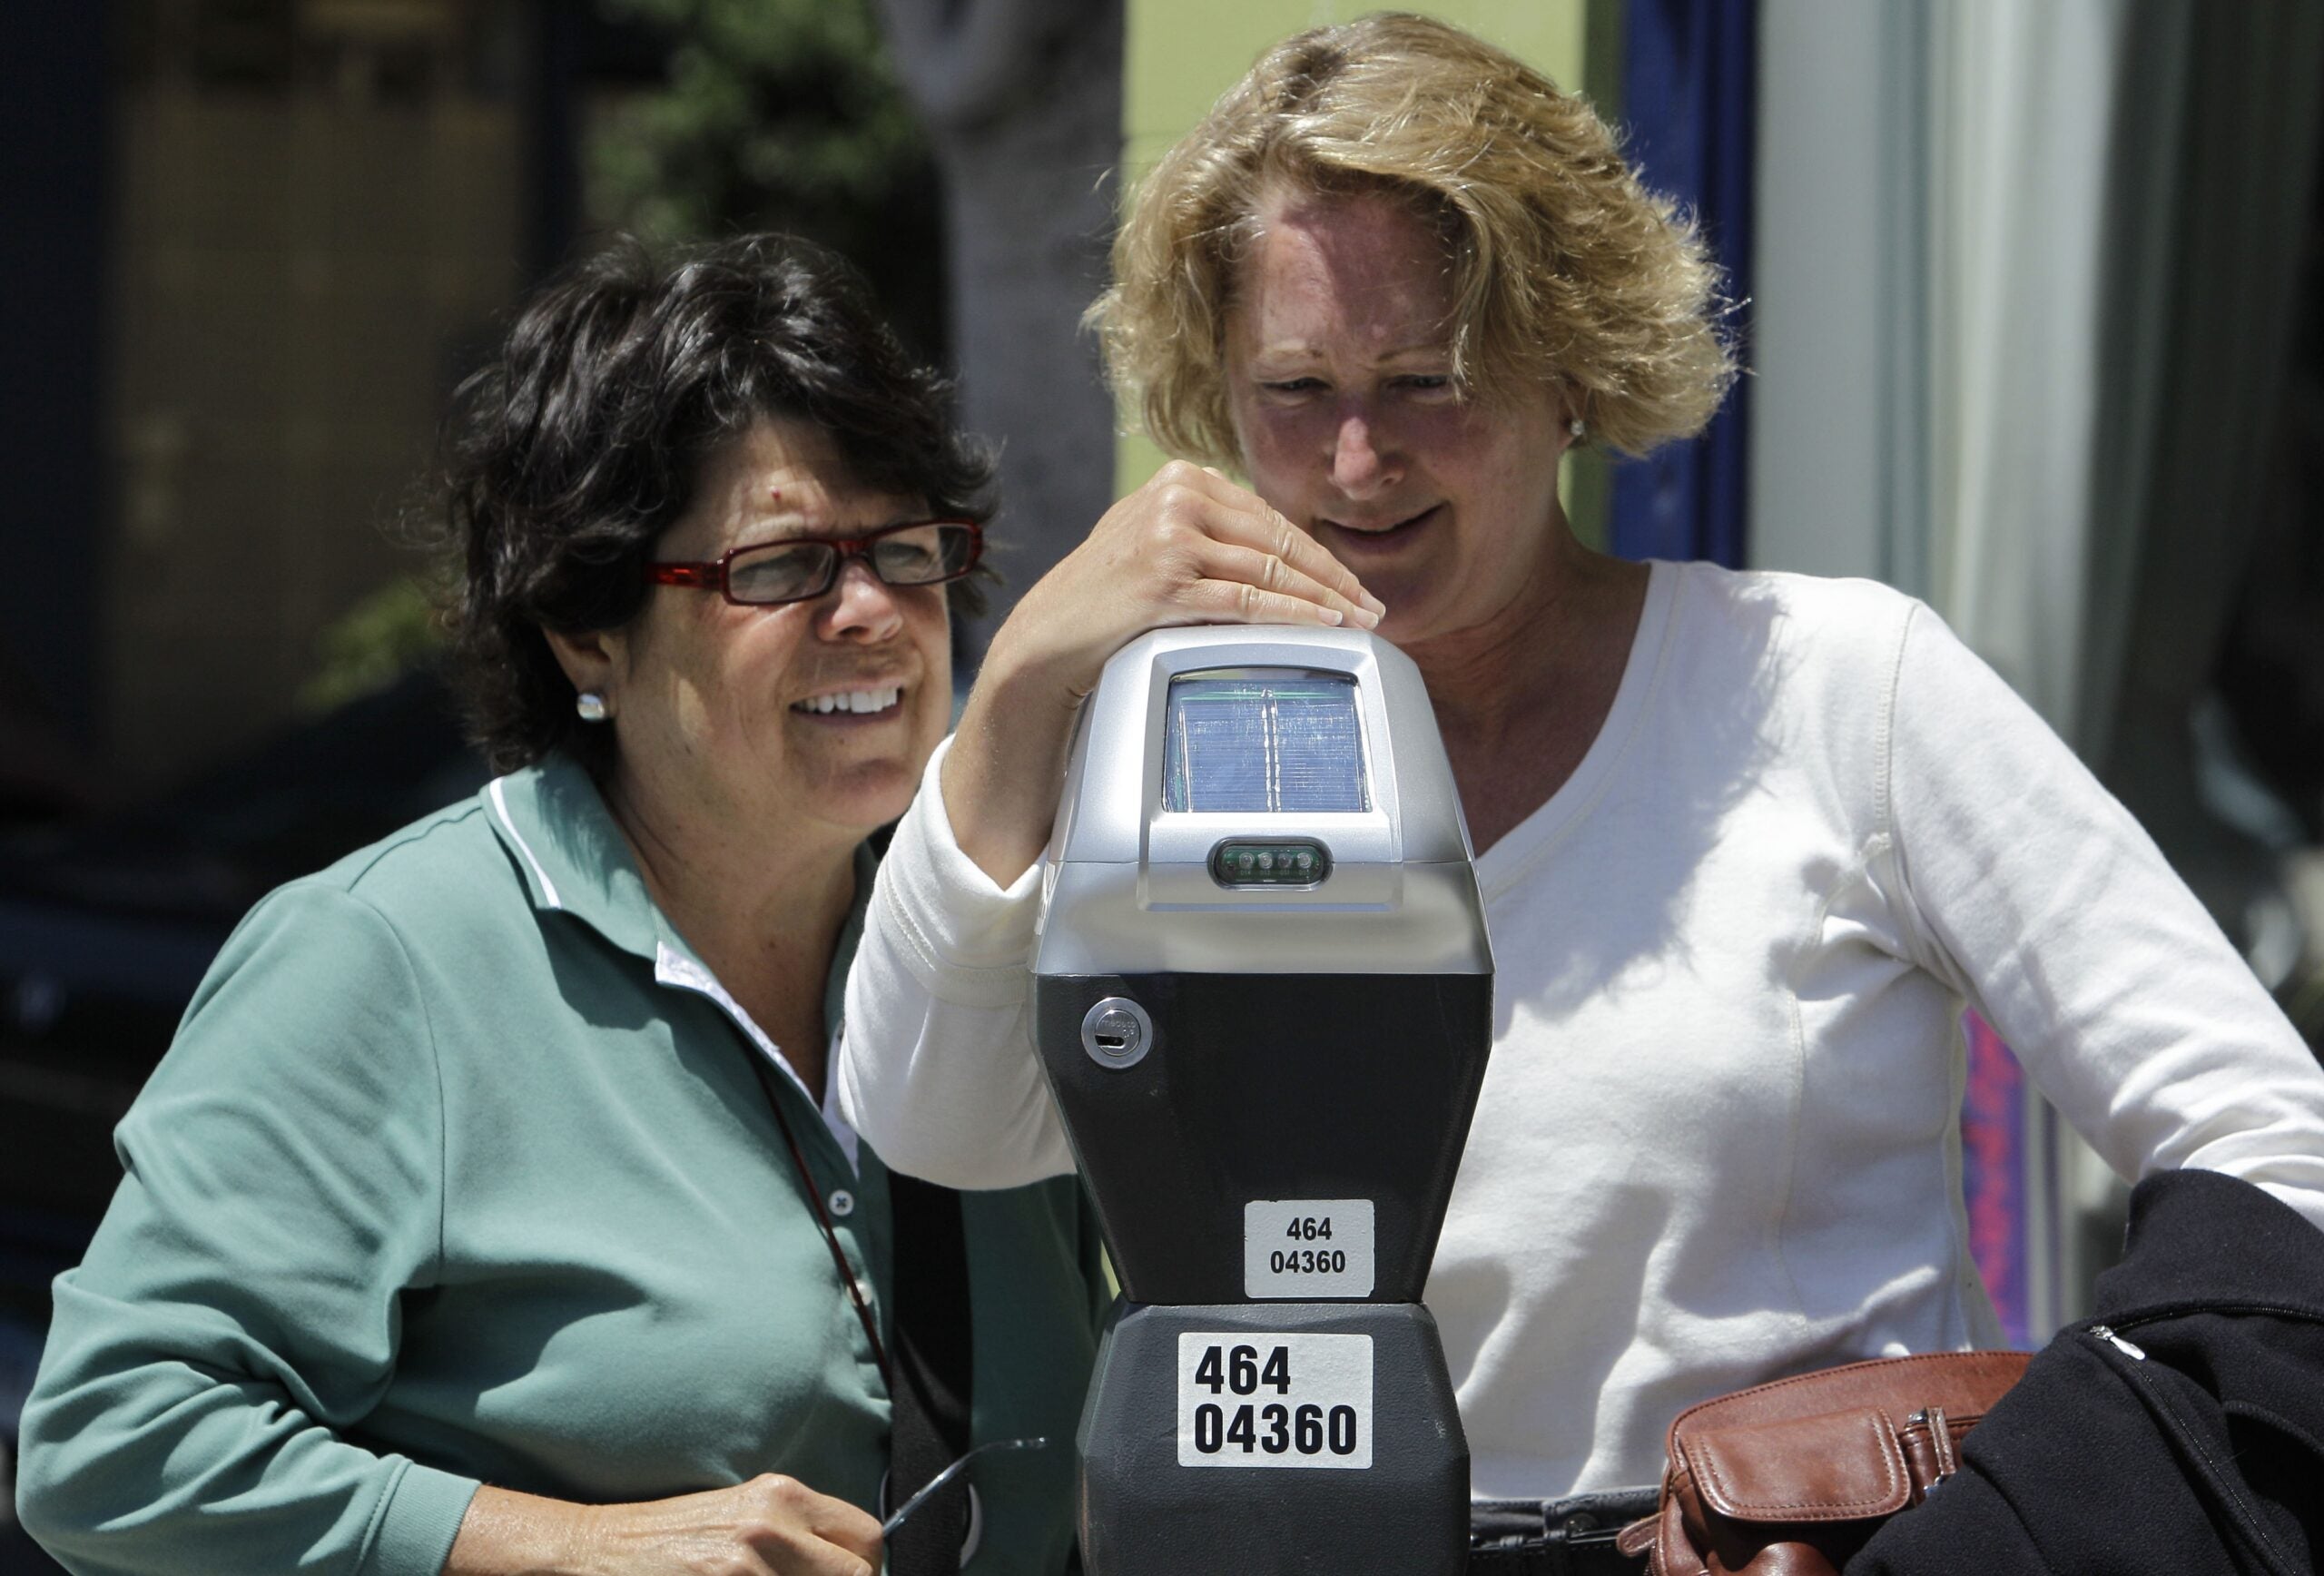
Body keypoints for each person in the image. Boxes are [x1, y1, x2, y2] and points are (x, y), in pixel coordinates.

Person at [833, 6, 2324, 1538]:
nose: (1359, 464)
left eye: (1427, 379)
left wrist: (2013, 1524)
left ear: (1575, 363)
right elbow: (938, 1130)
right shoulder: (1165, 751)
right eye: (1295, 391)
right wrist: (1019, 687)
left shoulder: (1834, 687)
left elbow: (2278, 1153)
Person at [16, 235, 1106, 1576]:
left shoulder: (996, 946)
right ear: (587, 629)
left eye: (905, 547)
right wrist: (570, 1548)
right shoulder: (384, 959)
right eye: (779, 568)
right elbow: (110, 1445)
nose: (874, 610)